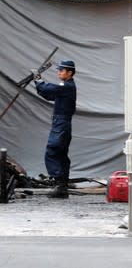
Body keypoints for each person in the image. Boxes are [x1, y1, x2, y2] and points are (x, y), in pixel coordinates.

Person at [34, 60, 77, 198]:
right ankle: (62, 186)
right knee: (61, 154)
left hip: (61, 122)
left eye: (62, 70)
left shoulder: (66, 85)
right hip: (62, 123)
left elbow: (49, 89)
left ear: (70, 72)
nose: (59, 72)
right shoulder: (65, 87)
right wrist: (38, 84)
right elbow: (48, 94)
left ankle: (59, 185)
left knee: (52, 151)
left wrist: (39, 80)